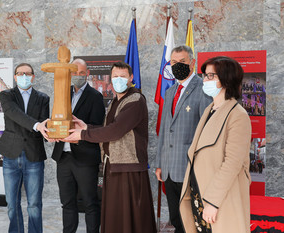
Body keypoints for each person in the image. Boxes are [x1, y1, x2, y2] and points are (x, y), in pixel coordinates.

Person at [63, 62, 157, 233]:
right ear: (110, 78)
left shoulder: (135, 100)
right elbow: (108, 129)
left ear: (131, 78)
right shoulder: (116, 100)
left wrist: (82, 135)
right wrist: (86, 127)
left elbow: (116, 131)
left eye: (122, 76)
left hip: (129, 168)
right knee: (116, 216)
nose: (118, 80)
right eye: (115, 76)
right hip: (114, 166)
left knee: (130, 218)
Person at [179, 56, 252, 233]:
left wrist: (213, 201)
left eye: (211, 76)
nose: (205, 80)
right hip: (199, 192)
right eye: (205, 75)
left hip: (218, 198)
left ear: (226, 79)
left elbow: (232, 163)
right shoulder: (209, 109)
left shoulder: (238, 115)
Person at [154, 45, 212, 233]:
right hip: (169, 168)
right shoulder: (170, 92)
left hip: (189, 168)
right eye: (173, 62)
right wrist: (159, 163)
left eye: (182, 62)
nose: (177, 65)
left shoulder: (203, 90)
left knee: (191, 220)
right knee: (176, 219)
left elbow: (206, 132)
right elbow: (164, 130)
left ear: (192, 63)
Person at [0, 63, 50, 233]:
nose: (24, 76)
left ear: (33, 76)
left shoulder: (43, 98)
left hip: (34, 154)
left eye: (27, 73)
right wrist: (36, 125)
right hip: (11, 154)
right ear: (15, 76)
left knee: (34, 204)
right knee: (12, 203)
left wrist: (49, 132)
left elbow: (44, 123)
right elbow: (13, 113)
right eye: (20, 73)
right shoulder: (6, 95)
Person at [51, 58, 105, 233]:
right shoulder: (63, 93)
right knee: (67, 202)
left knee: (90, 202)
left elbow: (97, 128)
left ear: (87, 74)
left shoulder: (95, 96)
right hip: (63, 158)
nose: (78, 76)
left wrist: (79, 138)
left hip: (85, 158)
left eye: (82, 73)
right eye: (74, 72)